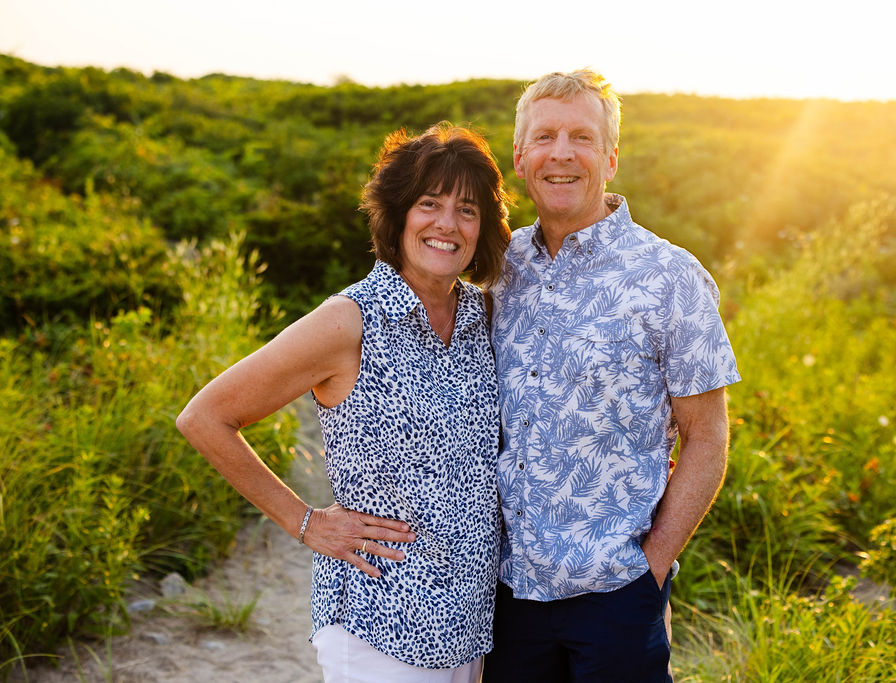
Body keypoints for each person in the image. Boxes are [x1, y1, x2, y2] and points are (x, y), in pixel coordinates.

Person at [176, 122, 512, 683]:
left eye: (468, 209)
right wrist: (303, 522)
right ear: (399, 213)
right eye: (430, 203)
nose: (447, 224)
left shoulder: (484, 316)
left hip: (471, 627)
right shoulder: (348, 321)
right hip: (379, 620)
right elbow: (206, 417)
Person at [482, 70, 741, 682]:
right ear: (520, 158)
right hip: (507, 595)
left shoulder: (669, 277)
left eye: (582, 137)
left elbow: (707, 439)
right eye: (544, 137)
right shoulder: (497, 268)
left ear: (611, 157)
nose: (562, 153)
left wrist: (650, 569)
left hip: (617, 593)